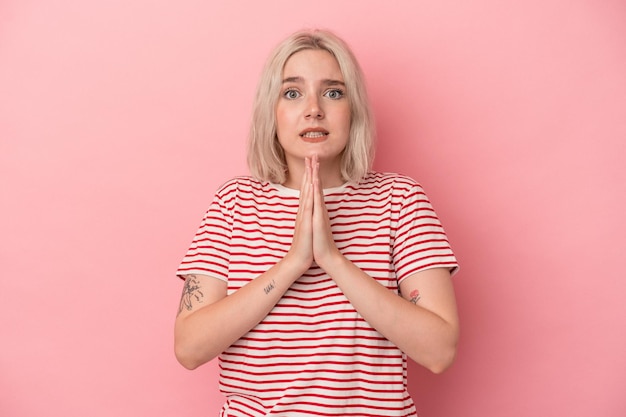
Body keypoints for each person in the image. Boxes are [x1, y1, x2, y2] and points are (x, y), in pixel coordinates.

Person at [174, 29, 459, 416]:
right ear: (270, 111)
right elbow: (189, 348)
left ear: (353, 109)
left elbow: (439, 350)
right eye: (292, 93)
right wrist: (293, 262)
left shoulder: (400, 200)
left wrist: (333, 260)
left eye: (333, 92)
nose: (314, 109)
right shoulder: (234, 202)